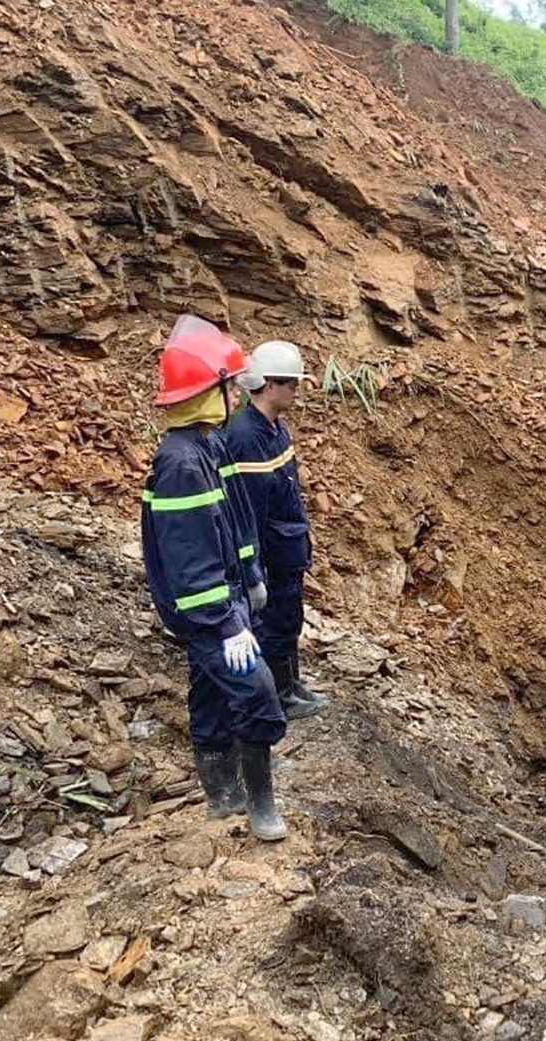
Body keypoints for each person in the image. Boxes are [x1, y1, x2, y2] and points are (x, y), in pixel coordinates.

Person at [141, 315, 289, 841]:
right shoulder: (181, 463)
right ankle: (259, 805)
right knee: (256, 691)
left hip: (229, 599)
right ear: (210, 393)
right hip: (209, 611)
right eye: (230, 386)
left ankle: (223, 793)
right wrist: (225, 625)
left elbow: (235, 521)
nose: (238, 394)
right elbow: (189, 560)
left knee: (208, 692)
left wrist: (250, 575)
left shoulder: (209, 446)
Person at [224, 340, 327, 720]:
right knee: (272, 622)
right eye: (292, 385)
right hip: (272, 551)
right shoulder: (247, 437)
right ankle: (279, 696)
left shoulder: (274, 429)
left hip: (288, 546)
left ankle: (291, 684)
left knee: (288, 617)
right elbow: (249, 511)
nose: (296, 392)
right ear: (269, 385)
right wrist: (253, 570)